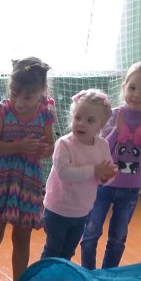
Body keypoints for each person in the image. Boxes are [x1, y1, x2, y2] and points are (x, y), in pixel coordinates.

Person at [0, 58, 56, 281]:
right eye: (14, 94)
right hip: (1, 179)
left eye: (27, 98)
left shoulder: (46, 113)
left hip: (28, 183)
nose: (19, 102)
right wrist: (19, 146)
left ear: (41, 92)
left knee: (22, 238)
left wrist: (45, 150)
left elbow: (50, 146)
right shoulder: (2, 110)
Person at [80, 62, 141, 269]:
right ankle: (88, 273)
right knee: (90, 233)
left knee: (117, 238)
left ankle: (109, 275)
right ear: (124, 87)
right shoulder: (112, 114)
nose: (137, 94)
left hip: (130, 189)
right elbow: (101, 149)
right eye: (132, 87)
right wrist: (117, 131)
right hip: (102, 185)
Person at [41, 90, 117, 261]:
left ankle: (61, 276)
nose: (81, 124)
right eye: (78, 118)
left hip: (82, 210)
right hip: (57, 209)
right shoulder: (64, 144)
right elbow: (64, 173)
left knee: (68, 251)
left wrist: (107, 176)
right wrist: (95, 170)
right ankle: (44, 276)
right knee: (53, 250)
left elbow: (105, 173)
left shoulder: (102, 145)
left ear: (101, 125)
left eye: (90, 120)